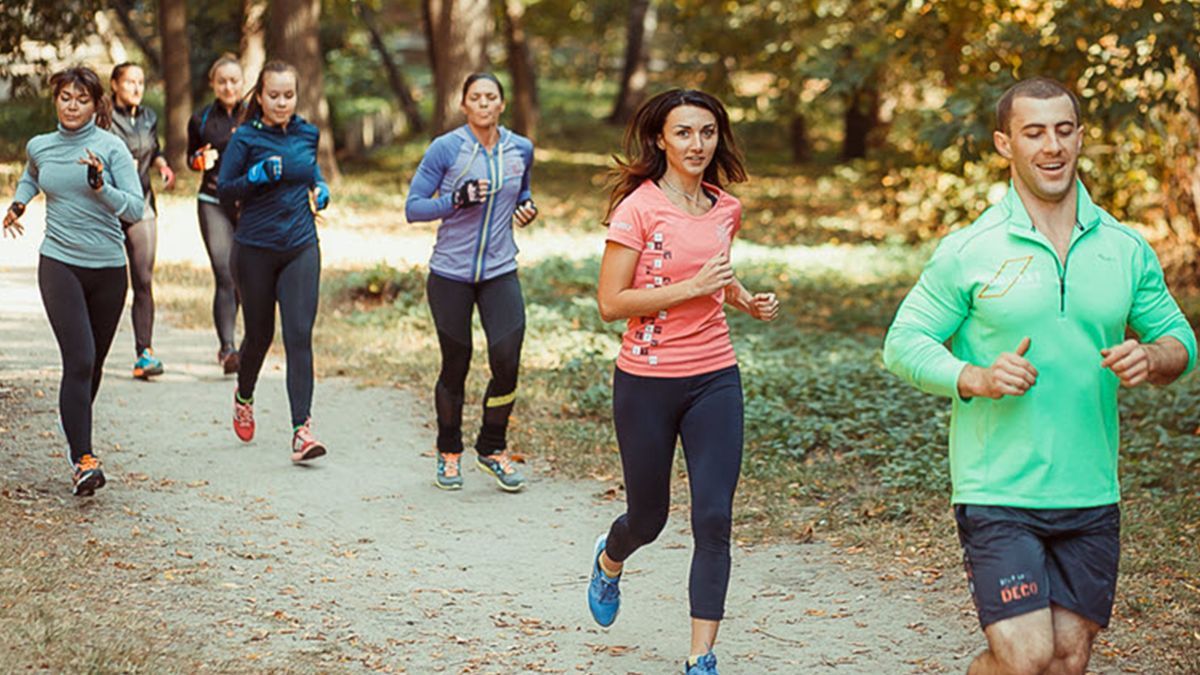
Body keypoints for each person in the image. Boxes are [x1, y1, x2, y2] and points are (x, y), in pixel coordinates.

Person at [882, 77, 1196, 675]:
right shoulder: (970, 248)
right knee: (1026, 659)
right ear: (1006, 144)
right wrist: (973, 375)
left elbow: (1180, 341)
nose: (1051, 146)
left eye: (1062, 130)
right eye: (1033, 132)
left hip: (1091, 489)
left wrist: (1152, 358)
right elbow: (904, 341)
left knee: (1066, 661)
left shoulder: (1125, 249)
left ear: (1079, 137)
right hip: (998, 489)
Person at [586, 89, 780, 675]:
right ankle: (612, 558)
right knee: (649, 518)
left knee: (714, 517)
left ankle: (701, 657)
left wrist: (742, 297)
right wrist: (694, 288)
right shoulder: (639, 210)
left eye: (708, 133)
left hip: (715, 376)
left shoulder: (726, 207)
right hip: (646, 380)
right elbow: (610, 302)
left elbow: (715, 272)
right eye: (684, 133)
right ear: (660, 141)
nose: (697, 145)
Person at [3, 66, 144, 495]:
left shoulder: (112, 148)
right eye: (66, 97)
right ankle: (84, 458)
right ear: (56, 99)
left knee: (93, 365)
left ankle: (76, 433)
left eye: (82, 99)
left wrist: (101, 186)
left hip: (108, 270)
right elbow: (32, 174)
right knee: (79, 359)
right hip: (59, 263)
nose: (72, 106)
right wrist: (19, 203)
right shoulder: (41, 146)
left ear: (96, 104)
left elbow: (135, 209)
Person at [404, 73, 538, 492]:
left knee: (507, 358)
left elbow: (522, 192)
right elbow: (413, 208)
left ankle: (492, 447)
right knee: (456, 365)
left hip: (500, 271)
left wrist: (527, 207)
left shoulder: (521, 149)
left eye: (491, 97)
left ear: (502, 103)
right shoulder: (446, 149)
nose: (483, 104)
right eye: (475, 98)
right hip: (450, 275)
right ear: (464, 105)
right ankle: (448, 453)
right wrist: (455, 200)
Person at [217, 60, 330, 463]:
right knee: (260, 337)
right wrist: (257, 176)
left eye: (289, 95)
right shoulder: (246, 138)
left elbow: (309, 171)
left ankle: (302, 431)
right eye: (274, 95)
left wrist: (319, 185)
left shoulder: (307, 133)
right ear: (260, 97)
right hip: (255, 251)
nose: (282, 102)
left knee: (298, 335)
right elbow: (224, 191)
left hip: (300, 245)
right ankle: (244, 395)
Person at [109, 62, 174, 379]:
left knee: (143, 280)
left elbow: (154, 149)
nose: (136, 87)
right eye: (129, 82)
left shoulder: (148, 117)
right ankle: (91, 350)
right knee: (108, 283)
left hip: (142, 204)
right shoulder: (102, 117)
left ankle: (144, 353)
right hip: (106, 208)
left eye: (141, 82)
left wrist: (162, 165)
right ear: (114, 84)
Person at [188, 54, 245, 374]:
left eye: (234, 80)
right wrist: (199, 159)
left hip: (249, 203)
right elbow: (189, 157)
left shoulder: (255, 115)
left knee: (247, 275)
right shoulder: (201, 118)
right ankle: (227, 349)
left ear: (243, 83)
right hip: (212, 201)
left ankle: (250, 343)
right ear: (213, 83)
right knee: (225, 273)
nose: (228, 86)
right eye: (222, 81)